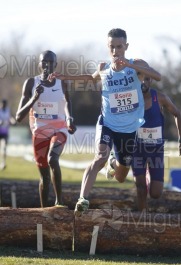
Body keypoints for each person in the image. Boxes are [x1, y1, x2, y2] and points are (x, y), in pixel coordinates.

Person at [51, 28, 161, 216]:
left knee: (120, 176)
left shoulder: (136, 64)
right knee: (99, 157)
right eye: (112, 47)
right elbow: (90, 79)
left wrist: (130, 65)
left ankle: (113, 163)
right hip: (107, 123)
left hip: (129, 129)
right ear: (107, 47)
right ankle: (83, 199)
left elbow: (157, 76)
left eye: (119, 47)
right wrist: (66, 77)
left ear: (126, 46)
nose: (116, 51)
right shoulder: (103, 68)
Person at [16, 50, 77, 207]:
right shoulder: (31, 83)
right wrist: (34, 99)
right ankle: (44, 212)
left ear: (55, 65)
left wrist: (69, 119)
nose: (47, 65)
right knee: (45, 178)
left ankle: (59, 202)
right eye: (44, 61)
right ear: (39, 64)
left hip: (59, 129)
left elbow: (67, 102)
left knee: (53, 158)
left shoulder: (61, 82)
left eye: (50, 62)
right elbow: (18, 117)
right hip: (40, 131)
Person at [131, 75, 181, 211]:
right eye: (140, 79)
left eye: (146, 79)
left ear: (150, 81)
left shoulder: (160, 98)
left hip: (155, 151)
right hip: (136, 149)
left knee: (156, 193)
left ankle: (148, 176)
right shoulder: (130, 99)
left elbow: (177, 114)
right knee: (140, 187)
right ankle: (142, 219)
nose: (143, 82)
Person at [0, 99, 16, 170]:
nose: (4, 105)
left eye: (5, 104)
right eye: (3, 104)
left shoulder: (7, 110)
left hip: (5, 131)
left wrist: (13, 121)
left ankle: (3, 162)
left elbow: (10, 118)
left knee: (4, 147)